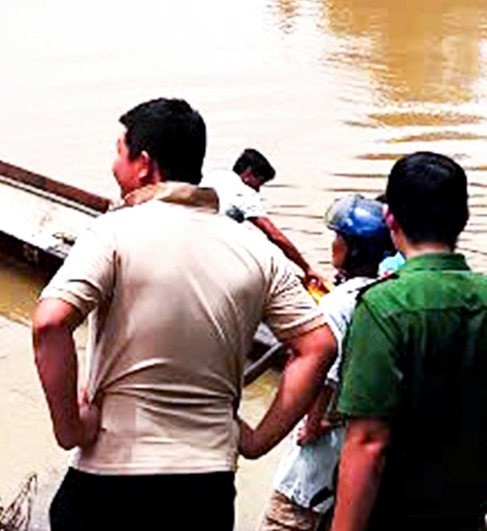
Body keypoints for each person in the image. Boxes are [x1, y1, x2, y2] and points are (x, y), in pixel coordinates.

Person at [33, 99, 337, 531]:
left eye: (119, 152)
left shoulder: (113, 232)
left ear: (144, 164)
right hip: (205, 487)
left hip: (110, 480)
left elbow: (50, 323)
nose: (113, 165)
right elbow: (319, 345)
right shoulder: (255, 251)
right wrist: (256, 439)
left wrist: (70, 429)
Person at [331, 153, 487, 531]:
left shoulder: (384, 306)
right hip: (470, 517)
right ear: (463, 218)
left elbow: (368, 443)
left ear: (389, 218)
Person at [259, 195, 396, 531]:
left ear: (352, 249)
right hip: (355, 456)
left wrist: (311, 422)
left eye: (339, 238)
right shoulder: (382, 296)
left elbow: (324, 374)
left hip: (316, 463)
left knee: (285, 518)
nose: (333, 244)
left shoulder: (337, 305)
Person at [214, 148, 331, 293]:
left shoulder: (215, 177)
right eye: (260, 183)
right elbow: (274, 235)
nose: (258, 190)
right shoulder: (243, 191)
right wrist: (306, 268)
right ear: (248, 174)